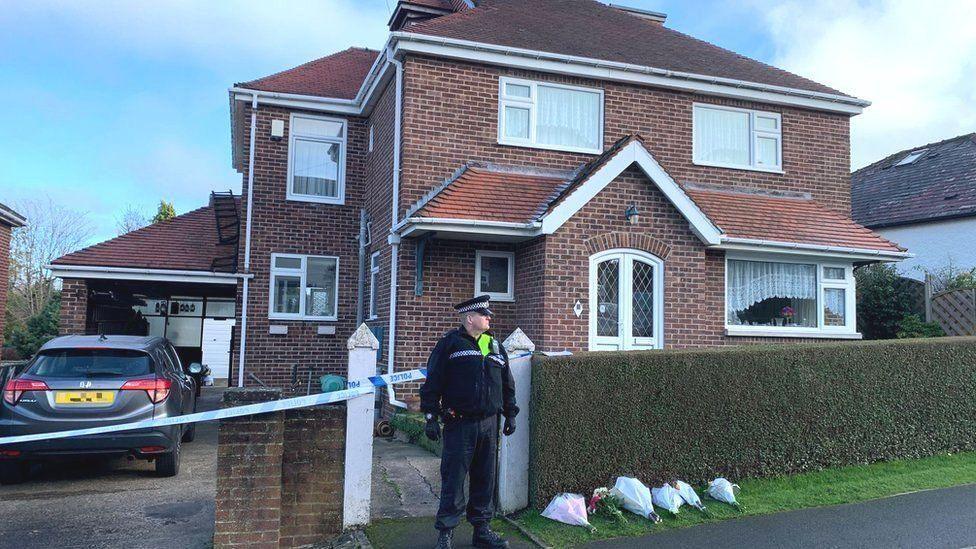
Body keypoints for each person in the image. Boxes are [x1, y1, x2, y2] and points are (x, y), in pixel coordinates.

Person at [420, 295, 519, 549]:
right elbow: (433, 382)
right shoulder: (450, 345)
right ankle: (446, 534)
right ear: (469, 319)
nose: (489, 318)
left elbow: (507, 383)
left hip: (489, 423)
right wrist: (430, 415)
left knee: (484, 479)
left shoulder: (494, 345)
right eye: (484, 314)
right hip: (459, 424)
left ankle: (482, 531)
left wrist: (510, 413)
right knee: (453, 479)